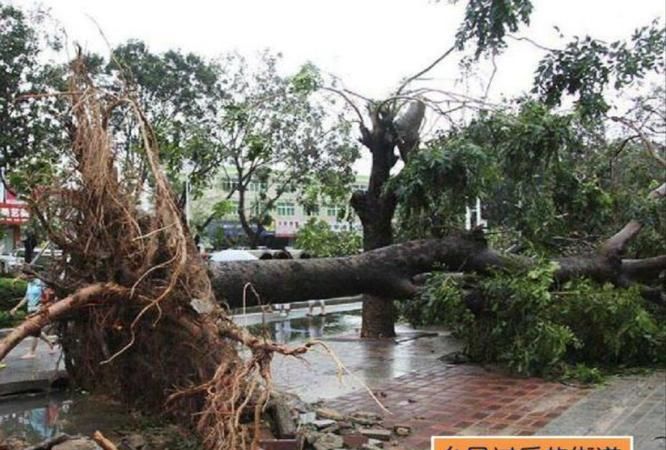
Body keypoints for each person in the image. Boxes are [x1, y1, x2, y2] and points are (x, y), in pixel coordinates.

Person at [10, 269, 55, 359]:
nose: (24, 277)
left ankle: (32, 352)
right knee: (36, 331)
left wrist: (44, 305)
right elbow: (26, 297)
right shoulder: (29, 284)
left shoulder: (40, 284)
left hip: (38, 310)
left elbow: (48, 294)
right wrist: (16, 307)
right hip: (30, 309)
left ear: (31, 275)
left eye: (25, 275)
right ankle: (50, 343)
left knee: (35, 330)